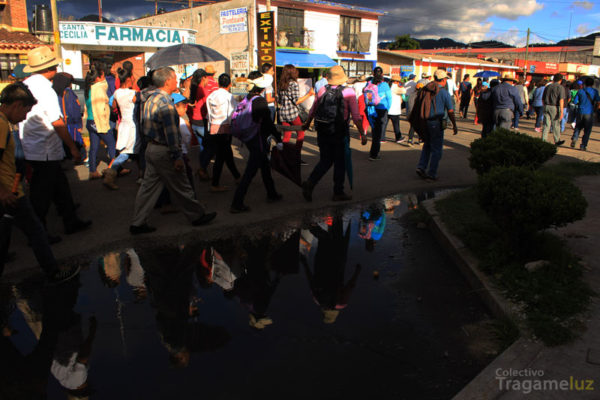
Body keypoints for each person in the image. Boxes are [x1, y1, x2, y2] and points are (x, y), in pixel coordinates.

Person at [0, 83, 79, 282]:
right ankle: (53, 271)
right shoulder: (1, 125)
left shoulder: (5, 122)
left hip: (10, 189)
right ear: (17, 105)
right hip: (9, 192)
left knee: (9, 232)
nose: (25, 117)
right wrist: (3, 191)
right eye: (25, 111)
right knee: (35, 231)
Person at [130, 67, 217, 234]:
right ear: (167, 81)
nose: (177, 81)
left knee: (148, 187)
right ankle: (197, 216)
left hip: (151, 147)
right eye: (175, 78)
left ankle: (138, 222)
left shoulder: (149, 98)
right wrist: (177, 156)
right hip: (164, 150)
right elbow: (171, 134)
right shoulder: (165, 104)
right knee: (182, 185)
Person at [19, 46, 91, 238]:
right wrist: (72, 147)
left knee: (61, 188)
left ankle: (71, 221)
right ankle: (38, 233)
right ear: (51, 68)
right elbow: (57, 122)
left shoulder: (27, 84)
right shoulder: (45, 89)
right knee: (41, 195)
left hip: (34, 145)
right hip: (44, 149)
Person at [301, 65, 365, 202]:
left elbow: (313, 109)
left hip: (323, 130)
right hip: (339, 131)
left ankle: (311, 182)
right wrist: (362, 134)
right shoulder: (349, 92)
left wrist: (307, 124)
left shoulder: (323, 89)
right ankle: (338, 192)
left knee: (326, 160)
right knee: (339, 162)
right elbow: (356, 116)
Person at [230, 71, 283, 213]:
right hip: (258, 139)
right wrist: (278, 138)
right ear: (262, 87)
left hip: (250, 138)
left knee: (264, 166)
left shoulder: (248, 98)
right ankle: (237, 202)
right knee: (250, 172)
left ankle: (272, 193)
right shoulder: (259, 101)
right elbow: (268, 124)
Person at [412, 69, 458, 181]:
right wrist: (454, 124)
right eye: (446, 79)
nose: (446, 81)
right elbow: (450, 110)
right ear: (443, 80)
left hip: (425, 122)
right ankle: (432, 173)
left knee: (427, 145)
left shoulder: (426, 89)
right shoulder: (443, 92)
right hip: (436, 123)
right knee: (437, 149)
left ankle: (421, 167)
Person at [103, 67, 138, 190]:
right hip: (132, 125)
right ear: (128, 79)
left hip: (123, 123)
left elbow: (114, 106)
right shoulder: (133, 93)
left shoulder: (117, 92)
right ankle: (110, 173)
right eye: (132, 77)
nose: (134, 79)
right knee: (126, 153)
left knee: (133, 151)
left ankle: (143, 175)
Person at [206, 73, 241, 192]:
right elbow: (233, 113)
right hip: (225, 128)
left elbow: (208, 113)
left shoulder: (211, 95)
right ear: (230, 84)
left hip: (214, 127)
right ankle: (215, 183)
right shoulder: (228, 96)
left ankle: (237, 176)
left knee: (226, 153)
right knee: (222, 156)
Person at [85, 61, 116, 179]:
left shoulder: (90, 87)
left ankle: (93, 171)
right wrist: (103, 125)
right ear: (98, 77)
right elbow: (100, 109)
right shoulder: (98, 88)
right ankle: (113, 169)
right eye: (103, 75)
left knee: (94, 147)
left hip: (90, 121)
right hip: (98, 121)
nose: (105, 78)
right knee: (112, 144)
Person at [278, 64, 314, 165]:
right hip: (292, 113)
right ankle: (296, 157)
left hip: (283, 113)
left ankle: (283, 156)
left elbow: (280, 100)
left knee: (287, 135)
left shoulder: (281, 84)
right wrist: (309, 95)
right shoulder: (293, 84)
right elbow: (296, 101)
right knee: (301, 133)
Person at [53, 72, 85, 161]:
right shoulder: (68, 93)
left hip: (58, 123)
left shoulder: (53, 93)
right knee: (75, 142)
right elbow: (74, 110)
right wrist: (78, 124)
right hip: (70, 123)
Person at [187, 68, 209, 178]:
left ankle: (202, 170)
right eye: (207, 78)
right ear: (203, 78)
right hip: (201, 122)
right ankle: (202, 169)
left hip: (194, 122)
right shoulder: (201, 90)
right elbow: (206, 106)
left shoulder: (193, 88)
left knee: (202, 147)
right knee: (208, 148)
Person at [366, 66, 391, 160]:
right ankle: (374, 154)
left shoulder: (369, 83)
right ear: (382, 74)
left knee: (374, 130)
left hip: (371, 109)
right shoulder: (385, 84)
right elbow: (389, 98)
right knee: (379, 132)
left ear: (373, 74)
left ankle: (374, 151)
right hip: (381, 109)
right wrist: (387, 108)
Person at [570, 77, 600, 151]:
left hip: (580, 112)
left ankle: (574, 138)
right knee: (587, 130)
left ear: (585, 84)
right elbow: (598, 102)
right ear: (592, 84)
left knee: (578, 127)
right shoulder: (595, 91)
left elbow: (575, 101)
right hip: (589, 113)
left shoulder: (580, 91)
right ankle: (583, 145)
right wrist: (596, 109)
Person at [541, 73, 566, 146]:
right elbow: (561, 100)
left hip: (546, 106)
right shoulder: (560, 87)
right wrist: (561, 111)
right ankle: (557, 140)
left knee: (546, 124)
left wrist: (545, 106)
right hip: (554, 107)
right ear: (560, 80)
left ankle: (543, 140)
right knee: (556, 124)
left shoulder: (547, 87)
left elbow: (542, 99)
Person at [387, 75, 406, 143]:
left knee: (384, 125)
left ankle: (381, 137)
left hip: (388, 109)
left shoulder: (388, 86)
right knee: (396, 125)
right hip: (394, 110)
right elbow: (404, 91)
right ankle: (398, 138)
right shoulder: (395, 87)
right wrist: (401, 86)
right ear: (396, 81)